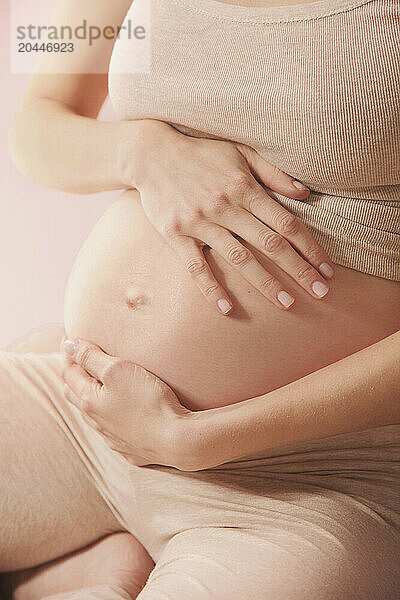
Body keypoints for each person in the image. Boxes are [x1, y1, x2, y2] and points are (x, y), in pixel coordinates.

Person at [2, 0, 400, 598]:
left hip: (310, 481)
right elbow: (38, 122)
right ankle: (84, 567)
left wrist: (197, 438)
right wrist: (140, 152)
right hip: (83, 410)